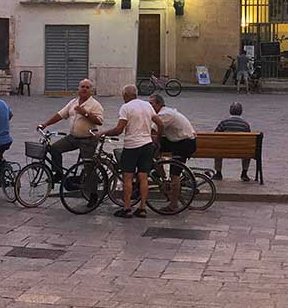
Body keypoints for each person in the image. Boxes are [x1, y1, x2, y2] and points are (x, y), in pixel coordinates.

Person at [94, 85, 163, 218]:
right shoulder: (147, 105)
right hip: (147, 145)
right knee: (143, 177)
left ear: (125, 95)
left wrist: (103, 133)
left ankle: (127, 208)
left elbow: (119, 130)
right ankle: (142, 208)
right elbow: (160, 124)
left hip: (132, 146)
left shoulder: (126, 108)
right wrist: (157, 139)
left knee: (128, 177)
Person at [37, 79, 103, 179]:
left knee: (88, 165)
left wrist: (85, 113)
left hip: (88, 139)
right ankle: (58, 173)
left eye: (87, 87)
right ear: (78, 88)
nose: (84, 89)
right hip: (73, 137)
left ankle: (91, 191)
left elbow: (99, 121)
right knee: (54, 148)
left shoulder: (95, 105)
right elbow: (60, 115)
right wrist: (45, 124)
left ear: (91, 91)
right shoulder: (73, 102)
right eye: (82, 87)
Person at [149, 93, 196, 213]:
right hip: (178, 140)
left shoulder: (164, 114)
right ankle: (162, 175)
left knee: (175, 174)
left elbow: (152, 129)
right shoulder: (165, 112)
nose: (149, 106)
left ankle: (173, 204)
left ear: (159, 104)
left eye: (151, 104)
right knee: (152, 148)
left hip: (184, 144)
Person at [213, 102, 252, 181]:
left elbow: (215, 135)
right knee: (248, 151)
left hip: (224, 150)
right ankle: (244, 173)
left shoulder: (224, 123)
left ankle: (218, 173)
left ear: (230, 111)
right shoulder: (245, 124)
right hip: (241, 151)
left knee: (218, 150)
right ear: (241, 111)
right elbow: (249, 139)